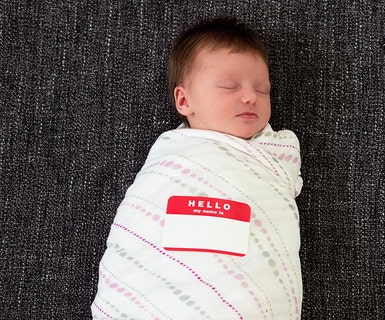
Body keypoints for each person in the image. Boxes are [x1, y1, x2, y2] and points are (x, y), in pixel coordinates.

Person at [91, 16, 303, 320]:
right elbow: (147, 212)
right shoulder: (172, 156)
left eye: (263, 89)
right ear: (184, 99)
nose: (250, 96)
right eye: (229, 86)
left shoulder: (274, 152)